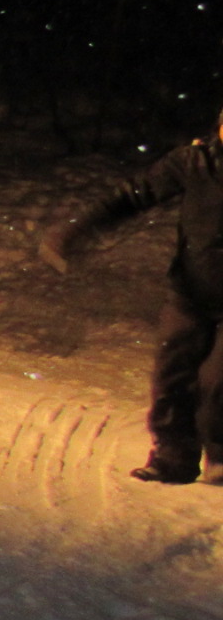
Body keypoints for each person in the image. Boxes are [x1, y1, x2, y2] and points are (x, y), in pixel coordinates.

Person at [41, 104, 223, 484]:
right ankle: (173, 458)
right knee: (171, 376)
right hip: (190, 292)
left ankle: (221, 456)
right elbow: (131, 196)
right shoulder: (193, 162)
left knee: (216, 385)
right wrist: (76, 230)